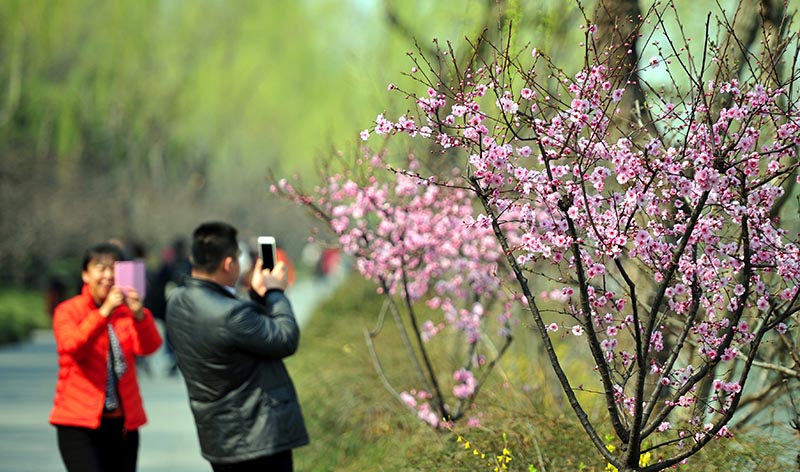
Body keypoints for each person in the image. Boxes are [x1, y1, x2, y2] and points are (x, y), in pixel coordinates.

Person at [166, 222, 309, 472]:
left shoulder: (178, 301)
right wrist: (275, 294)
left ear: (194, 258)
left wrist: (255, 295)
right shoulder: (230, 315)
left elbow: (237, 333)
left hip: (218, 435)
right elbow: (285, 338)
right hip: (255, 436)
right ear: (228, 264)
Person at [49, 242, 163, 472]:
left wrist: (140, 315)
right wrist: (103, 313)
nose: (108, 275)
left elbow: (150, 347)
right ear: (85, 274)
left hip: (122, 424)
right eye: (100, 268)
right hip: (78, 423)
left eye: (114, 269)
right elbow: (72, 346)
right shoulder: (69, 311)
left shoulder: (128, 312)